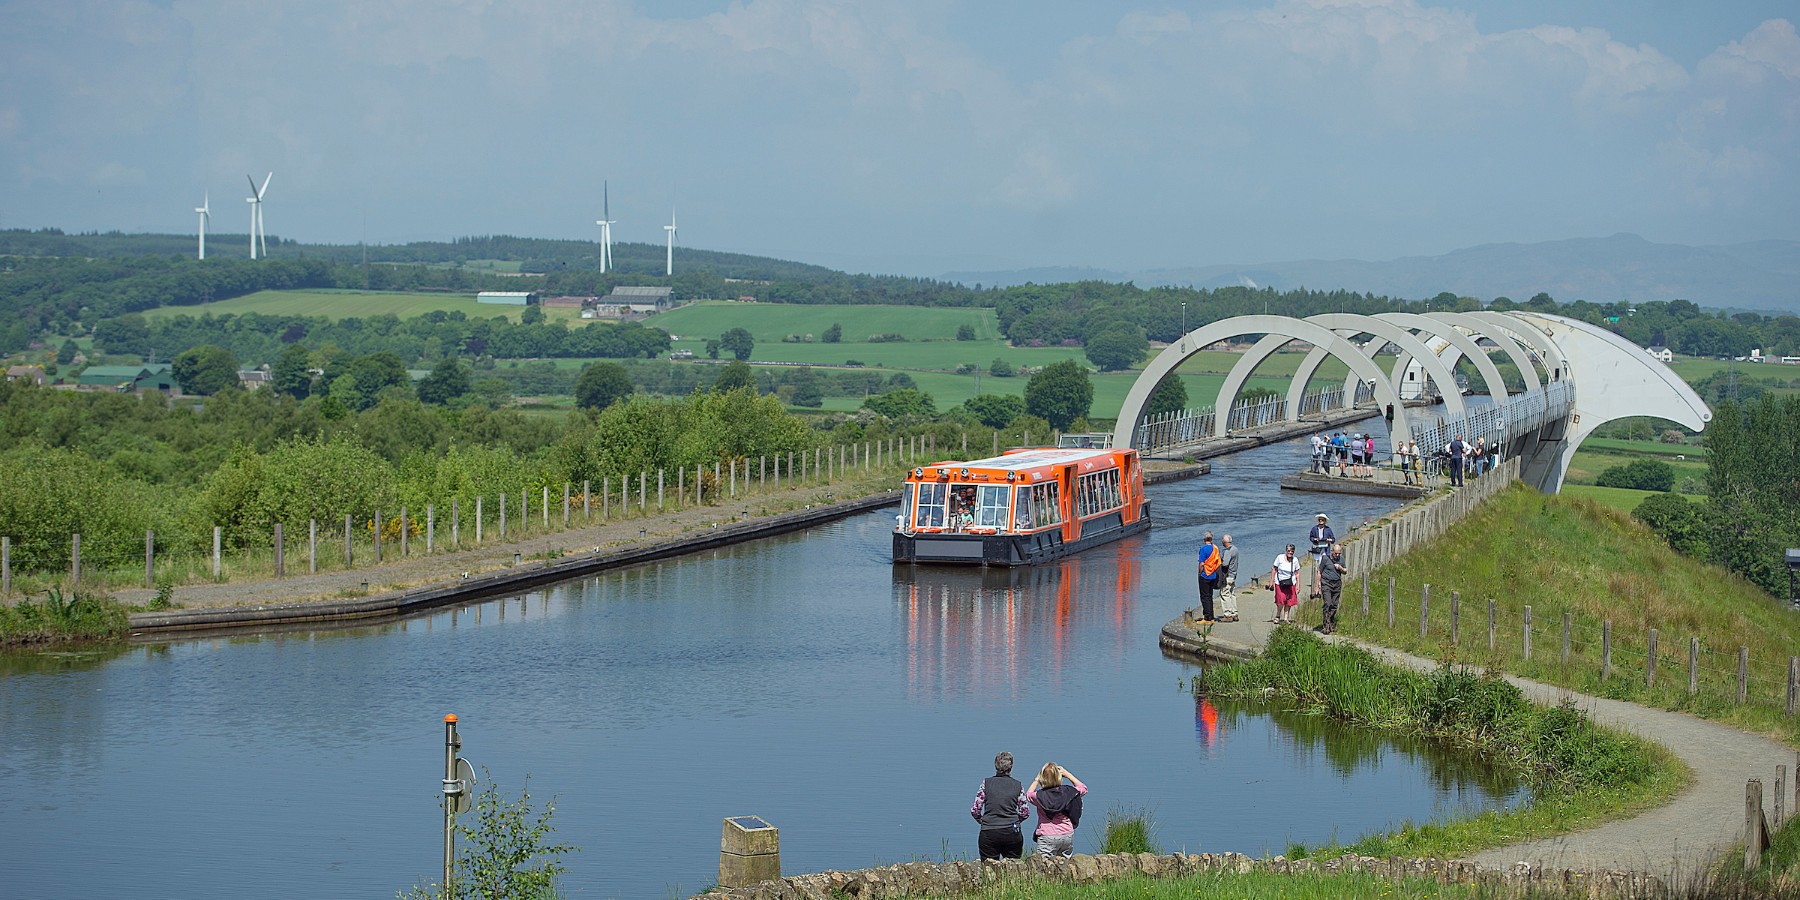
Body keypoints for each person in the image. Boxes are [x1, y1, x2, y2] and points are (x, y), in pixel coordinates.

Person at [970, 751, 1028, 860]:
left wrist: (981, 820)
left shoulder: (986, 783)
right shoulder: (1018, 785)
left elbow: (975, 810)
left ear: (995, 766)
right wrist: (1015, 821)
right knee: (1013, 868)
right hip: (1012, 831)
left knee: (989, 869)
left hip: (989, 831)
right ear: (1011, 767)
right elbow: (1025, 813)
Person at [1026, 762, 1087, 859]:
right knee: (1064, 865)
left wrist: (1036, 779)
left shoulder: (1038, 796)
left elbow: (1028, 794)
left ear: (1043, 778)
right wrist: (1067, 774)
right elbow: (1083, 788)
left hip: (1047, 835)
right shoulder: (1069, 793)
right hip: (1067, 834)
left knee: (1043, 866)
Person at [1317, 542, 1347, 634]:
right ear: (1332, 551)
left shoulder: (1341, 559)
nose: (1337, 555)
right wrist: (1317, 585)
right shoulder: (1325, 558)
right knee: (1328, 603)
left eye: (1339, 553)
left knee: (1334, 605)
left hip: (1337, 584)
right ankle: (1325, 625)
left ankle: (1331, 623)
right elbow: (1319, 571)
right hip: (1326, 583)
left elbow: (1345, 571)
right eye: (1335, 553)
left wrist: (1340, 568)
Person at [1194, 531, 1222, 624]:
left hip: (1205, 574)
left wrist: (1199, 572)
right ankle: (1211, 616)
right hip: (1213, 574)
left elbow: (1202, 563)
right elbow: (1218, 561)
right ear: (1212, 539)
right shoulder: (1215, 548)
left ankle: (1207, 618)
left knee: (1204, 596)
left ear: (1204, 539)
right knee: (1210, 596)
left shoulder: (1203, 549)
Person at [1270, 544, 1301, 624]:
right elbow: (1274, 569)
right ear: (1286, 551)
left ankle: (1286, 618)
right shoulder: (1279, 558)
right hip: (1280, 582)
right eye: (1289, 551)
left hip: (1291, 583)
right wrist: (1271, 581)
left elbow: (1297, 573)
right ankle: (1278, 615)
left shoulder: (1295, 560)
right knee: (1280, 600)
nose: (1290, 553)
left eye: (1292, 551)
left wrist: (1298, 585)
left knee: (1289, 601)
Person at [1307, 513, 1334, 599]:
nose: (1321, 521)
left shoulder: (1328, 529)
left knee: (1323, 567)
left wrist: (1328, 540)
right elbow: (1310, 537)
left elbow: (1333, 539)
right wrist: (1315, 539)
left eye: (1322, 520)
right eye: (1319, 520)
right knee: (1317, 567)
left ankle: (1321, 585)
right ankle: (1317, 586)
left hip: (1325, 550)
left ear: (1325, 521)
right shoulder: (1314, 529)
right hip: (1317, 550)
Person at [1217, 534, 1240, 623]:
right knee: (1232, 594)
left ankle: (1228, 615)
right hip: (1234, 575)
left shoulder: (1227, 551)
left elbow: (1225, 564)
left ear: (1224, 542)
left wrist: (1220, 561)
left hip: (1227, 576)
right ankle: (1235, 613)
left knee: (1225, 594)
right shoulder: (1235, 549)